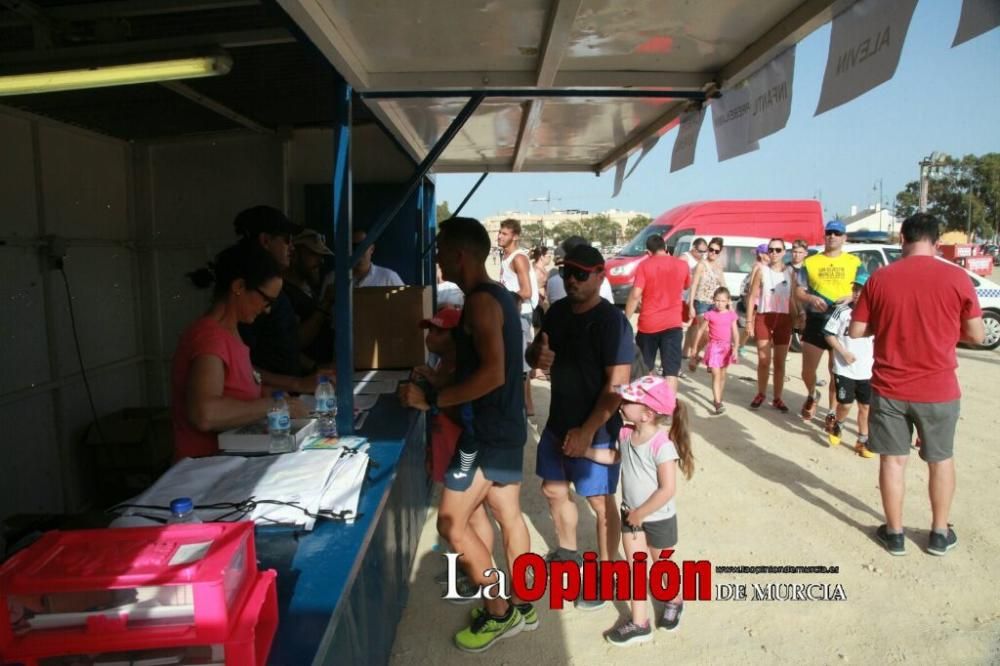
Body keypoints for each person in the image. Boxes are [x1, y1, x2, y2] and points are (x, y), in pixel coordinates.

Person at [398, 216, 532, 651]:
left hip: (486, 436)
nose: (437, 260)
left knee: (452, 522)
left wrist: (434, 402)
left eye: (439, 253)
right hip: (502, 429)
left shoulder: (479, 301)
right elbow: (483, 365)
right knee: (497, 516)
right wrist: (438, 383)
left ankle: (500, 613)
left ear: (458, 254)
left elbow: (493, 374)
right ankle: (520, 603)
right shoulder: (494, 298)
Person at [849, 213, 984, 557]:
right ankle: (939, 533)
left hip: (890, 386)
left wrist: (887, 324)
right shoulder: (957, 278)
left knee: (893, 462)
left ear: (902, 239)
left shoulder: (880, 279)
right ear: (937, 243)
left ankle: (894, 534)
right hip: (939, 388)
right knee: (940, 460)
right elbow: (977, 335)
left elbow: (856, 331)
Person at [526, 244, 633, 611]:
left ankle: (606, 574)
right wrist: (535, 355)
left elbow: (617, 388)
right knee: (553, 491)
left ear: (600, 274)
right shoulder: (556, 312)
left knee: (601, 505)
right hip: (558, 423)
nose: (570, 279)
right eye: (565, 272)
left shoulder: (612, 323)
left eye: (580, 274)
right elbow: (534, 351)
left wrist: (587, 431)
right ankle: (568, 553)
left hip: (598, 430)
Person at [173, 243, 308, 460]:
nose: (268, 309)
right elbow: (204, 414)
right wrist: (274, 405)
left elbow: (241, 387)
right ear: (239, 286)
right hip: (203, 470)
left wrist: (277, 397)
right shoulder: (210, 338)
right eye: (267, 300)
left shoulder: (231, 334)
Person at [592, 376, 693, 646]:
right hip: (631, 515)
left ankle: (674, 599)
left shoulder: (663, 446)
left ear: (647, 413)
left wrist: (641, 513)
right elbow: (616, 457)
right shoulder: (626, 433)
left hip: (658, 518)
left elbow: (667, 489)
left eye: (629, 400)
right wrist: (587, 453)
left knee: (662, 566)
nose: (623, 403)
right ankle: (640, 623)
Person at [794, 220, 861, 426]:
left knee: (836, 371)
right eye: (829, 233)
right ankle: (813, 395)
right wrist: (810, 299)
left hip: (841, 322)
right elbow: (798, 290)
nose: (832, 236)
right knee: (807, 370)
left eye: (837, 233)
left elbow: (864, 288)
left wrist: (851, 297)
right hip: (816, 320)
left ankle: (831, 412)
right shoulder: (811, 262)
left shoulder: (855, 262)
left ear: (844, 238)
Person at [624, 234, 690, 391]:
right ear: (665, 248)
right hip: (674, 323)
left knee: (645, 369)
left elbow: (635, 295)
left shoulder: (644, 266)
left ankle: (649, 404)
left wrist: (625, 319)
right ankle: (668, 408)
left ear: (648, 252)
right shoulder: (682, 265)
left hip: (649, 324)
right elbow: (687, 286)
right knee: (671, 372)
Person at [823, 271, 875, 457]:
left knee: (866, 406)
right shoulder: (843, 311)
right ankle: (838, 424)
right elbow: (828, 333)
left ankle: (863, 440)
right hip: (844, 368)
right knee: (845, 404)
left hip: (866, 370)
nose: (857, 294)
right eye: (855, 289)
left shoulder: (875, 312)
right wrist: (843, 353)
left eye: (861, 290)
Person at [745, 238, 794, 412]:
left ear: (784, 252)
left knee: (780, 362)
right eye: (771, 250)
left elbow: (794, 297)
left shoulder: (790, 272)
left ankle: (778, 398)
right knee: (764, 360)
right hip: (764, 317)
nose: (773, 253)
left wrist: (800, 315)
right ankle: (761, 393)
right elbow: (752, 297)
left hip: (784, 319)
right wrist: (749, 321)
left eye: (777, 250)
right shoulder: (761, 271)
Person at [497, 218, 539, 417]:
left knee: (521, 366)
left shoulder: (518, 258)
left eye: (504, 233)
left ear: (515, 236)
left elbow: (527, 291)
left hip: (520, 315)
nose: (499, 236)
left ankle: (526, 406)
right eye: (499, 232)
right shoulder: (506, 257)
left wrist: (505, 297)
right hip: (512, 314)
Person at [285, 229, 334, 369]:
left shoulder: (309, 287)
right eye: (313, 254)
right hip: (304, 380)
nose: (320, 261)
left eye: (322, 255)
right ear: (293, 254)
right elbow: (295, 341)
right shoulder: (284, 293)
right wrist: (326, 303)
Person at [688, 287, 739, 415]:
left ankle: (718, 397)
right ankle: (717, 402)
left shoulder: (731, 315)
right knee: (716, 374)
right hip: (714, 347)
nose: (719, 303)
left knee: (722, 375)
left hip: (726, 348)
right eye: (717, 300)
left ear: (728, 301)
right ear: (713, 301)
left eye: (722, 301)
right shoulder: (710, 315)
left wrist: (736, 348)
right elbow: (700, 331)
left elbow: (736, 333)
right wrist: (694, 348)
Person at [546, 236, 615, 305]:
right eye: (566, 272)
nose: (571, 280)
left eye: (581, 273)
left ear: (600, 277)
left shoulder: (611, 314)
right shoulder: (554, 310)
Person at [687, 237, 726, 342]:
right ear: (708, 249)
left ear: (719, 252)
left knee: (712, 333)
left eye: (716, 251)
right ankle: (696, 354)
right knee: (706, 332)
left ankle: (695, 355)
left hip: (714, 304)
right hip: (701, 303)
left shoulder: (719, 266)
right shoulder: (701, 265)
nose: (713, 253)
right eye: (711, 249)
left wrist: (728, 302)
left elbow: (723, 285)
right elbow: (693, 285)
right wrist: (691, 306)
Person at [681, 238, 708, 359]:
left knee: (694, 326)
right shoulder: (684, 258)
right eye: (700, 251)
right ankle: (686, 351)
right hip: (683, 297)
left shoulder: (703, 260)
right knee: (684, 326)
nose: (703, 254)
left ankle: (686, 351)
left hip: (695, 297)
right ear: (693, 248)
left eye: (704, 251)